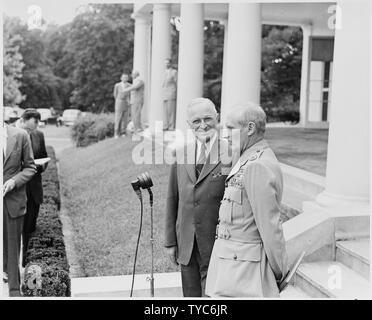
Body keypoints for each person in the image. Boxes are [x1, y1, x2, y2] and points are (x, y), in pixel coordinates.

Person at [205, 103, 289, 298]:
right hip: (232, 266)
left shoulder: (257, 165)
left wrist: (278, 271)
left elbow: (270, 227)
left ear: (250, 128)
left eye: (231, 128)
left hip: (245, 275)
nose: (224, 134)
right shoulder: (247, 158)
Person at [164, 98, 231, 297]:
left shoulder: (232, 153)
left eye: (208, 118)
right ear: (189, 125)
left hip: (218, 243)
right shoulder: (180, 154)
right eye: (196, 121)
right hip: (187, 243)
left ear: (217, 118)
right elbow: (172, 198)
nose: (203, 125)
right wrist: (170, 241)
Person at [3, 118, 36, 296]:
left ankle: (14, 291)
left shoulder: (21, 135)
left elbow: (30, 167)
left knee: (12, 248)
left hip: (12, 201)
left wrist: (14, 181)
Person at [17, 109, 48, 267]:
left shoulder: (38, 135)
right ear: (23, 120)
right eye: (29, 127)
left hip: (34, 190)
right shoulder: (10, 134)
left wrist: (38, 167)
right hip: (17, 191)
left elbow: (44, 156)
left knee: (29, 229)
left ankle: (25, 265)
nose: (32, 130)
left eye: (35, 126)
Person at [113, 73, 131, 138]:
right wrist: (118, 100)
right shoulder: (117, 85)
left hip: (126, 103)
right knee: (118, 118)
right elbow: (115, 94)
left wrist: (128, 101)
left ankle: (124, 132)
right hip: (119, 102)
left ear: (127, 79)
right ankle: (116, 133)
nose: (125, 79)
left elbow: (130, 94)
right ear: (121, 78)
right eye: (123, 77)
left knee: (125, 118)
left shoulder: (129, 85)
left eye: (126, 77)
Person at [162, 58, 177, 131]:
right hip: (164, 93)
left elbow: (176, 82)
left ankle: (171, 126)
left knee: (171, 111)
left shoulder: (174, 72)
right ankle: (165, 125)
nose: (166, 64)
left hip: (171, 93)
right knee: (165, 111)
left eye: (168, 63)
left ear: (170, 64)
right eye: (165, 63)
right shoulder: (163, 72)